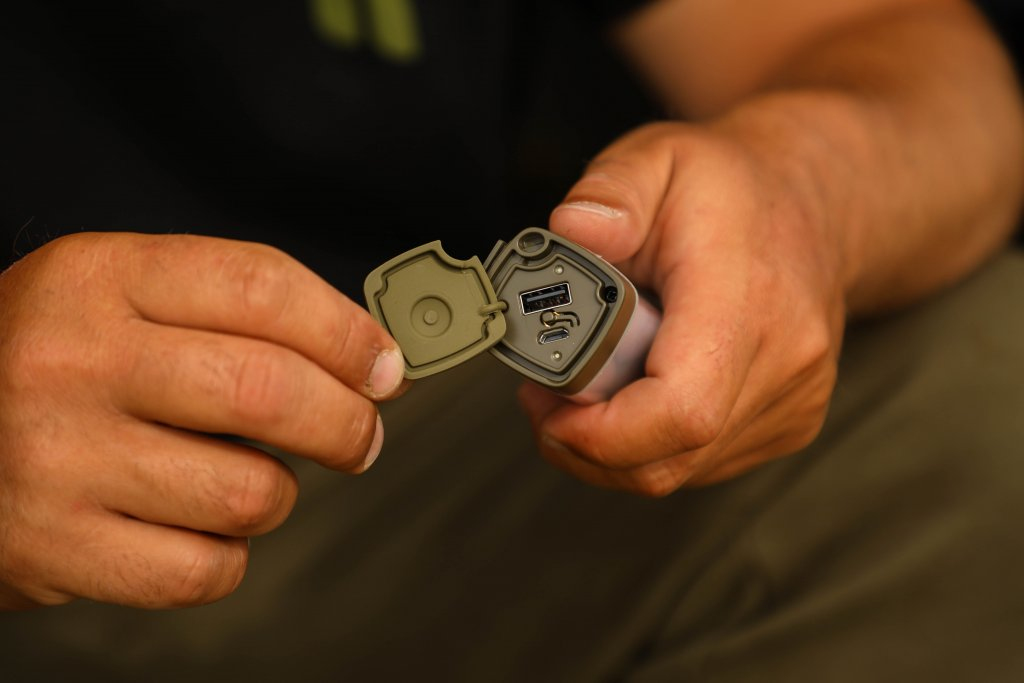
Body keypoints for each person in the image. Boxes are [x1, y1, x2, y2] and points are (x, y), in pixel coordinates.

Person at [0, 0, 1022, 680]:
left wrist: (805, 182)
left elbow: (899, 45)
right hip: (43, 564)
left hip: (413, 460)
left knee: (988, 385)